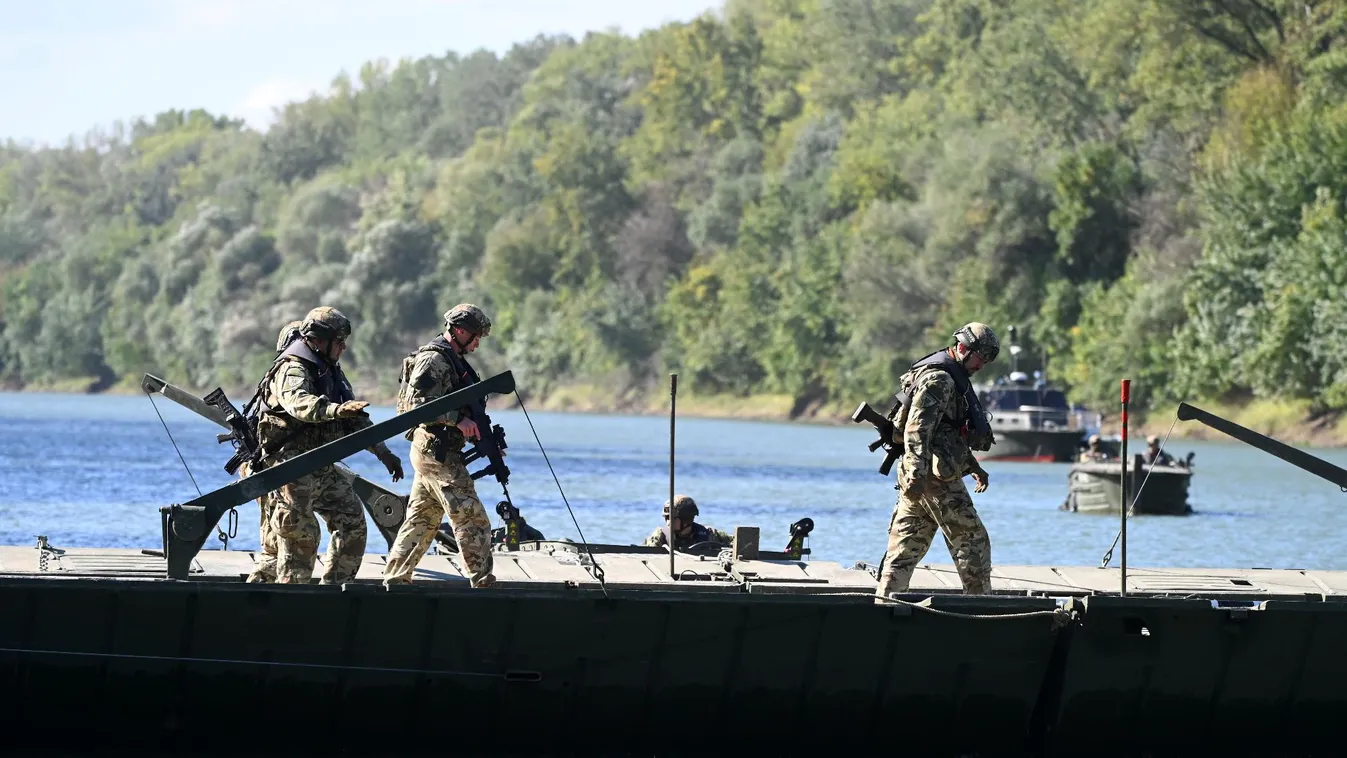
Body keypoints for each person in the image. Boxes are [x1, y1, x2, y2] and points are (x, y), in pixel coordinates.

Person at [249, 306, 404, 584]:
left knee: (352, 522)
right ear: (320, 340)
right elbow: (300, 405)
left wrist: (383, 452)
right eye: (339, 341)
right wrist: (334, 411)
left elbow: (356, 419)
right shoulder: (292, 369)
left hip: (319, 465)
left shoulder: (331, 371)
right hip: (290, 466)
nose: (344, 347)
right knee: (302, 535)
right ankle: (290, 600)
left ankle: (332, 590)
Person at [874, 322, 999, 599]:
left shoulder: (952, 376)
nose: (983, 365)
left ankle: (885, 603)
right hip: (932, 478)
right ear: (964, 348)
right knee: (973, 541)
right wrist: (918, 475)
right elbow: (918, 429)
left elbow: (947, 430)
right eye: (981, 357)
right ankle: (980, 606)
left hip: (921, 474)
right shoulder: (940, 380)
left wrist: (972, 465)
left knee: (906, 547)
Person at [383, 304, 498, 588]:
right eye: (475, 336)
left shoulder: (454, 359)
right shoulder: (434, 360)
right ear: (459, 331)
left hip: (438, 450)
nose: (477, 343)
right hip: (435, 451)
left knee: (422, 519)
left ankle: (395, 579)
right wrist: (457, 420)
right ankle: (483, 581)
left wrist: (481, 437)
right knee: (471, 516)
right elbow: (416, 405)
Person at [243, 319, 304, 584]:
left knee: (278, 537)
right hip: (268, 463)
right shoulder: (287, 376)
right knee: (273, 543)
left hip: (277, 463)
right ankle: (264, 588)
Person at [643, 494, 732, 550]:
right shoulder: (660, 537)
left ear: (687, 520)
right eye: (667, 518)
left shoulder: (709, 535)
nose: (668, 523)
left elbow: (737, 543)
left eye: (673, 519)